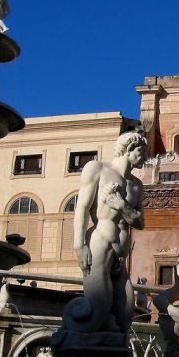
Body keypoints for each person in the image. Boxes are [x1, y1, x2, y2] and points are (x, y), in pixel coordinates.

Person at [61, 132, 147, 334]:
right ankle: (75, 347)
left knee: (125, 315)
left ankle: (111, 354)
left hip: (120, 255)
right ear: (128, 149)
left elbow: (140, 223)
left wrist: (122, 205)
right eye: (141, 152)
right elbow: (82, 207)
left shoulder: (137, 185)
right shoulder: (97, 169)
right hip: (100, 243)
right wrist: (79, 245)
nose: (145, 157)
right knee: (97, 308)